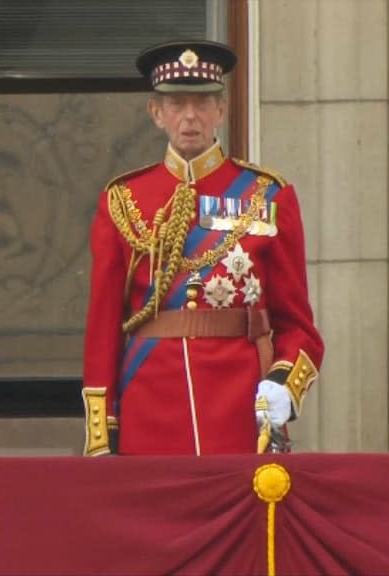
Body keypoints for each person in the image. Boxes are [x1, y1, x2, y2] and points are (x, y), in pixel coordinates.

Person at [82, 40, 324, 456]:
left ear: (221, 112)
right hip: (150, 404)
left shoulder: (267, 196)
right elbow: (104, 327)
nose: (190, 116)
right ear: (156, 114)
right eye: (177, 105)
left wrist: (284, 383)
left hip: (238, 402)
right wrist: (103, 430)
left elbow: (298, 325)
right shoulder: (123, 200)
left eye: (202, 102)